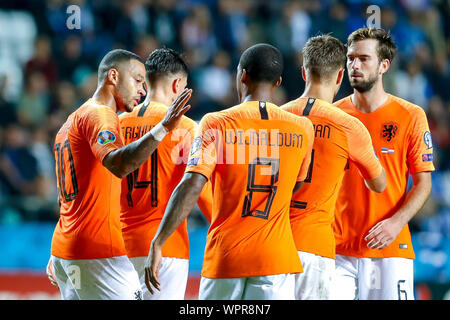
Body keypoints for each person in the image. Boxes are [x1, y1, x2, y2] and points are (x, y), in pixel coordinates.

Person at [145, 43, 315, 300]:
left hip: (227, 256)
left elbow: (192, 184)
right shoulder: (303, 128)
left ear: (242, 75)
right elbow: (297, 187)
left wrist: (159, 241)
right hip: (276, 258)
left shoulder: (216, 122)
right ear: (278, 81)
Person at [47, 49, 193, 300]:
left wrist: (57, 253)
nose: (143, 89)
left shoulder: (71, 120)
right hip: (98, 253)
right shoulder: (101, 115)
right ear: (113, 76)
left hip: (66, 249)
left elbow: (69, 197)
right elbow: (118, 164)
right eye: (137, 80)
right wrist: (163, 128)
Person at [332, 28, 435, 300]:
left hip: (389, 248)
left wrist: (396, 223)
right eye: (351, 58)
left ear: (384, 66)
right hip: (337, 249)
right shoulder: (333, 115)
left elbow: (424, 184)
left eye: (364, 58)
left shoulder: (410, 116)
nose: (354, 65)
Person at [281, 35, 386, 300]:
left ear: (304, 72)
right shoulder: (349, 126)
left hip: (272, 242)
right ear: (341, 76)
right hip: (315, 247)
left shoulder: (275, 116)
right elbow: (379, 183)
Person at [119, 48, 213, 300]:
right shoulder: (186, 127)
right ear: (177, 84)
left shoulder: (116, 123)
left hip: (118, 246)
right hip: (165, 248)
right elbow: (200, 190)